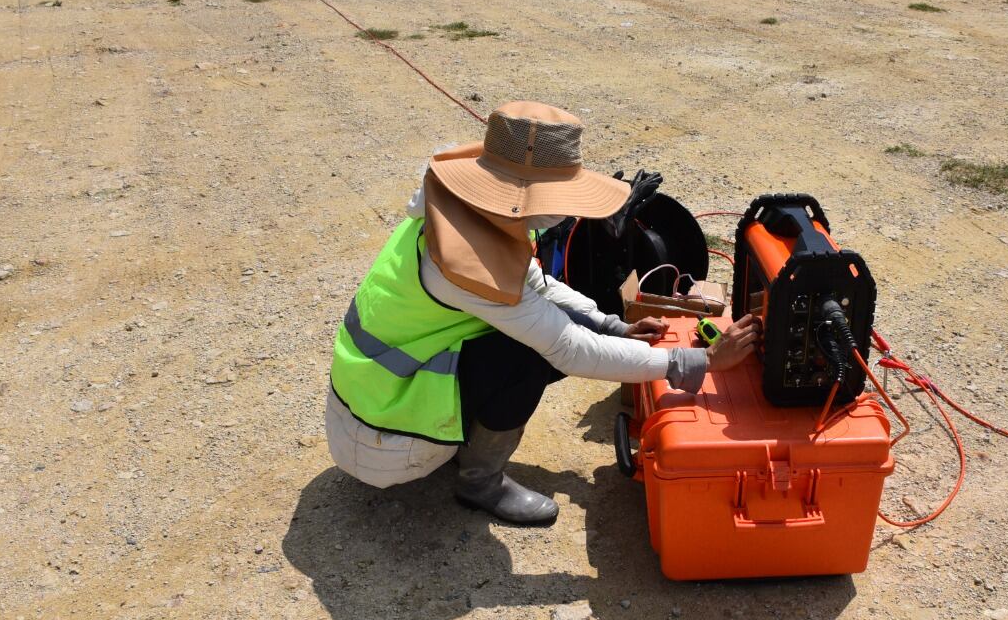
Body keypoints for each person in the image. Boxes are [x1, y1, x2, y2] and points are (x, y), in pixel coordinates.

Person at [326, 101, 761, 525]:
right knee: (527, 356)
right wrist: (699, 362)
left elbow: (535, 283)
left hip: (375, 399)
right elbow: (566, 348)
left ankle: (465, 443)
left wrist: (612, 325)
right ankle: (480, 482)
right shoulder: (463, 262)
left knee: (533, 336)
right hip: (383, 437)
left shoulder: (460, 210)